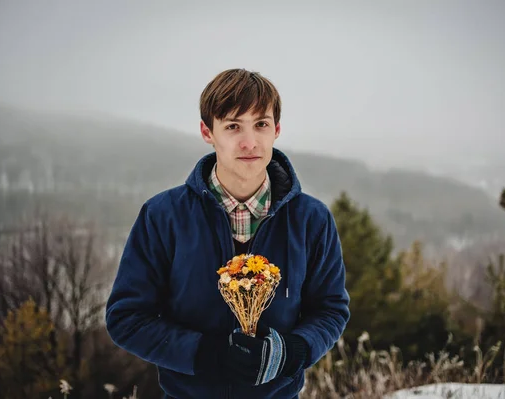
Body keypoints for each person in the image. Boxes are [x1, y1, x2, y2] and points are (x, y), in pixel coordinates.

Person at [105, 68, 350, 399]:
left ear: (277, 129)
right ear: (208, 132)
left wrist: (295, 350)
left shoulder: (312, 219)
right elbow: (127, 318)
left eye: (261, 124)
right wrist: (204, 353)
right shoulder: (163, 216)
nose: (250, 142)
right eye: (233, 126)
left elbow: (331, 309)